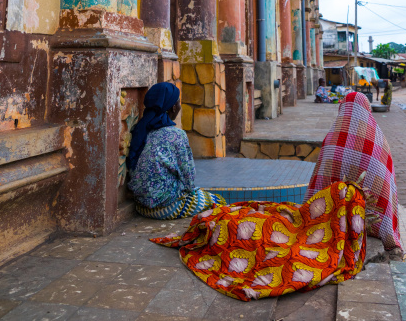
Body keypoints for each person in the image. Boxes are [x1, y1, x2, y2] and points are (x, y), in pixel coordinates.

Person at [152, 182, 367, 300]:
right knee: (241, 218)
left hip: (283, 227)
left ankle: (215, 226)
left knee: (241, 226)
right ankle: (216, 225)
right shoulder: (328, 221)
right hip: (289, 221)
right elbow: (306, 215)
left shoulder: (324, 241)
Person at [305, 92, 401, 253]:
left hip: (330, 218)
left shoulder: (332, 140)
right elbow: (386, 180)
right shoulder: (379, 142)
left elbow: (320, 182)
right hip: (371, 220)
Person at [127, 82, 225, 219]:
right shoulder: (176, 135)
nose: (179, 106)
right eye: (178, 102)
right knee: (217, 201)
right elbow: (189, 179)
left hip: (141, 206)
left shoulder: (140, 131)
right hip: (164, 208)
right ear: (173, 107)